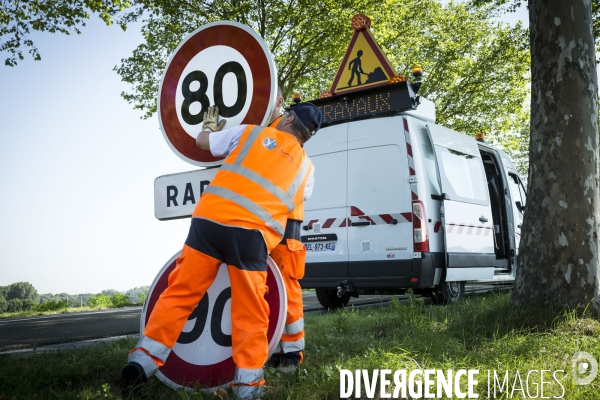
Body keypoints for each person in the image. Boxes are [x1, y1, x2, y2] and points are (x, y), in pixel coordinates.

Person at [121, 102, 322, 399]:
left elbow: (204, 142)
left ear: (288, 118)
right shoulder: (307, 168)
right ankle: (247, 386)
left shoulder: (249, 134)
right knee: (250, 311)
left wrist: (210, 128)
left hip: (208, 221)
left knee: (181, 293)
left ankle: (142, 360)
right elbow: (294, 202)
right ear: (307, 135)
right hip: (251, 235)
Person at [265, 87, 311, 373]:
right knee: (260, 288)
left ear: (281, 103)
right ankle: (271, 348)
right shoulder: (259, 130)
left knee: (287, 288)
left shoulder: (286, 132)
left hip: (284, 222)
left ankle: (291, 353)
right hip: (255, 220)